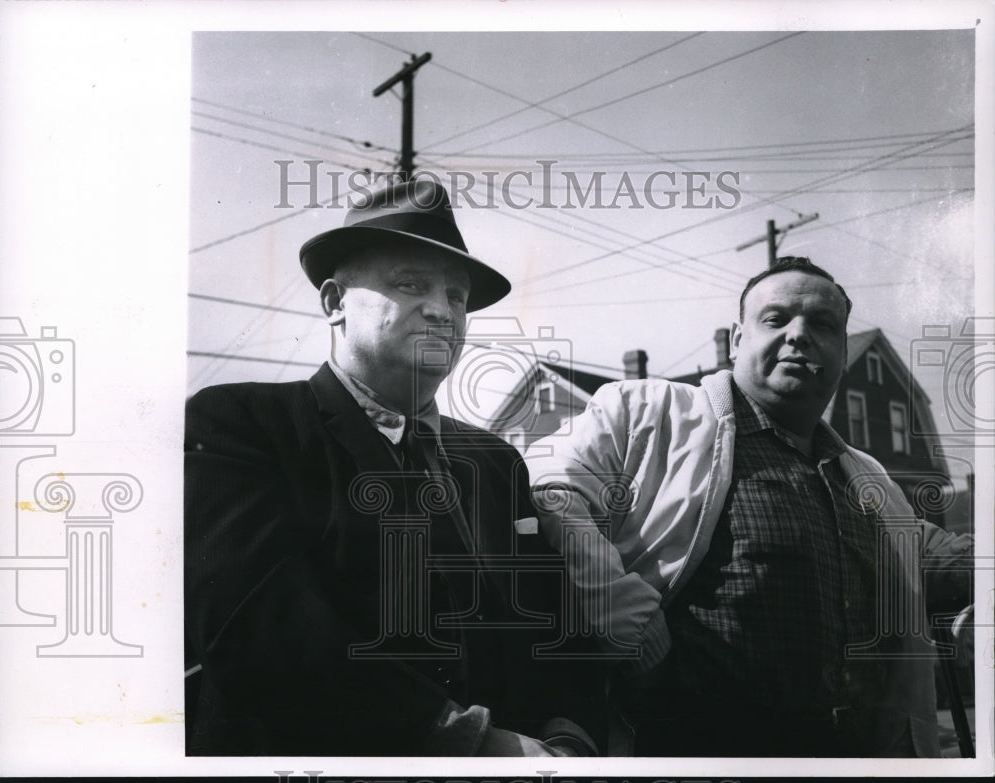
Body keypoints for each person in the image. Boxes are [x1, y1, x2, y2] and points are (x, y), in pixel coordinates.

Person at [184, 177, 602, 756]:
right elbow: (258, 632)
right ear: (334, 303)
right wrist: (479, 745)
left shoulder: (494, 461)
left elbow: (556, 615)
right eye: (410, 285)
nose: (442, 311)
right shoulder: (242, 425)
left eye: (457, 296)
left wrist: (571, 731)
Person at [526, 257, 973, 757]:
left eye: (822, 324)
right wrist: (626, 618)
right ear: (738, 339)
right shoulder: (648, 413)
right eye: (776, 319)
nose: (799, 335)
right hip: (696, 750)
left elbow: (930, 553)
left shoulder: (864, 474)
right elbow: (551, 489)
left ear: (842, 352)